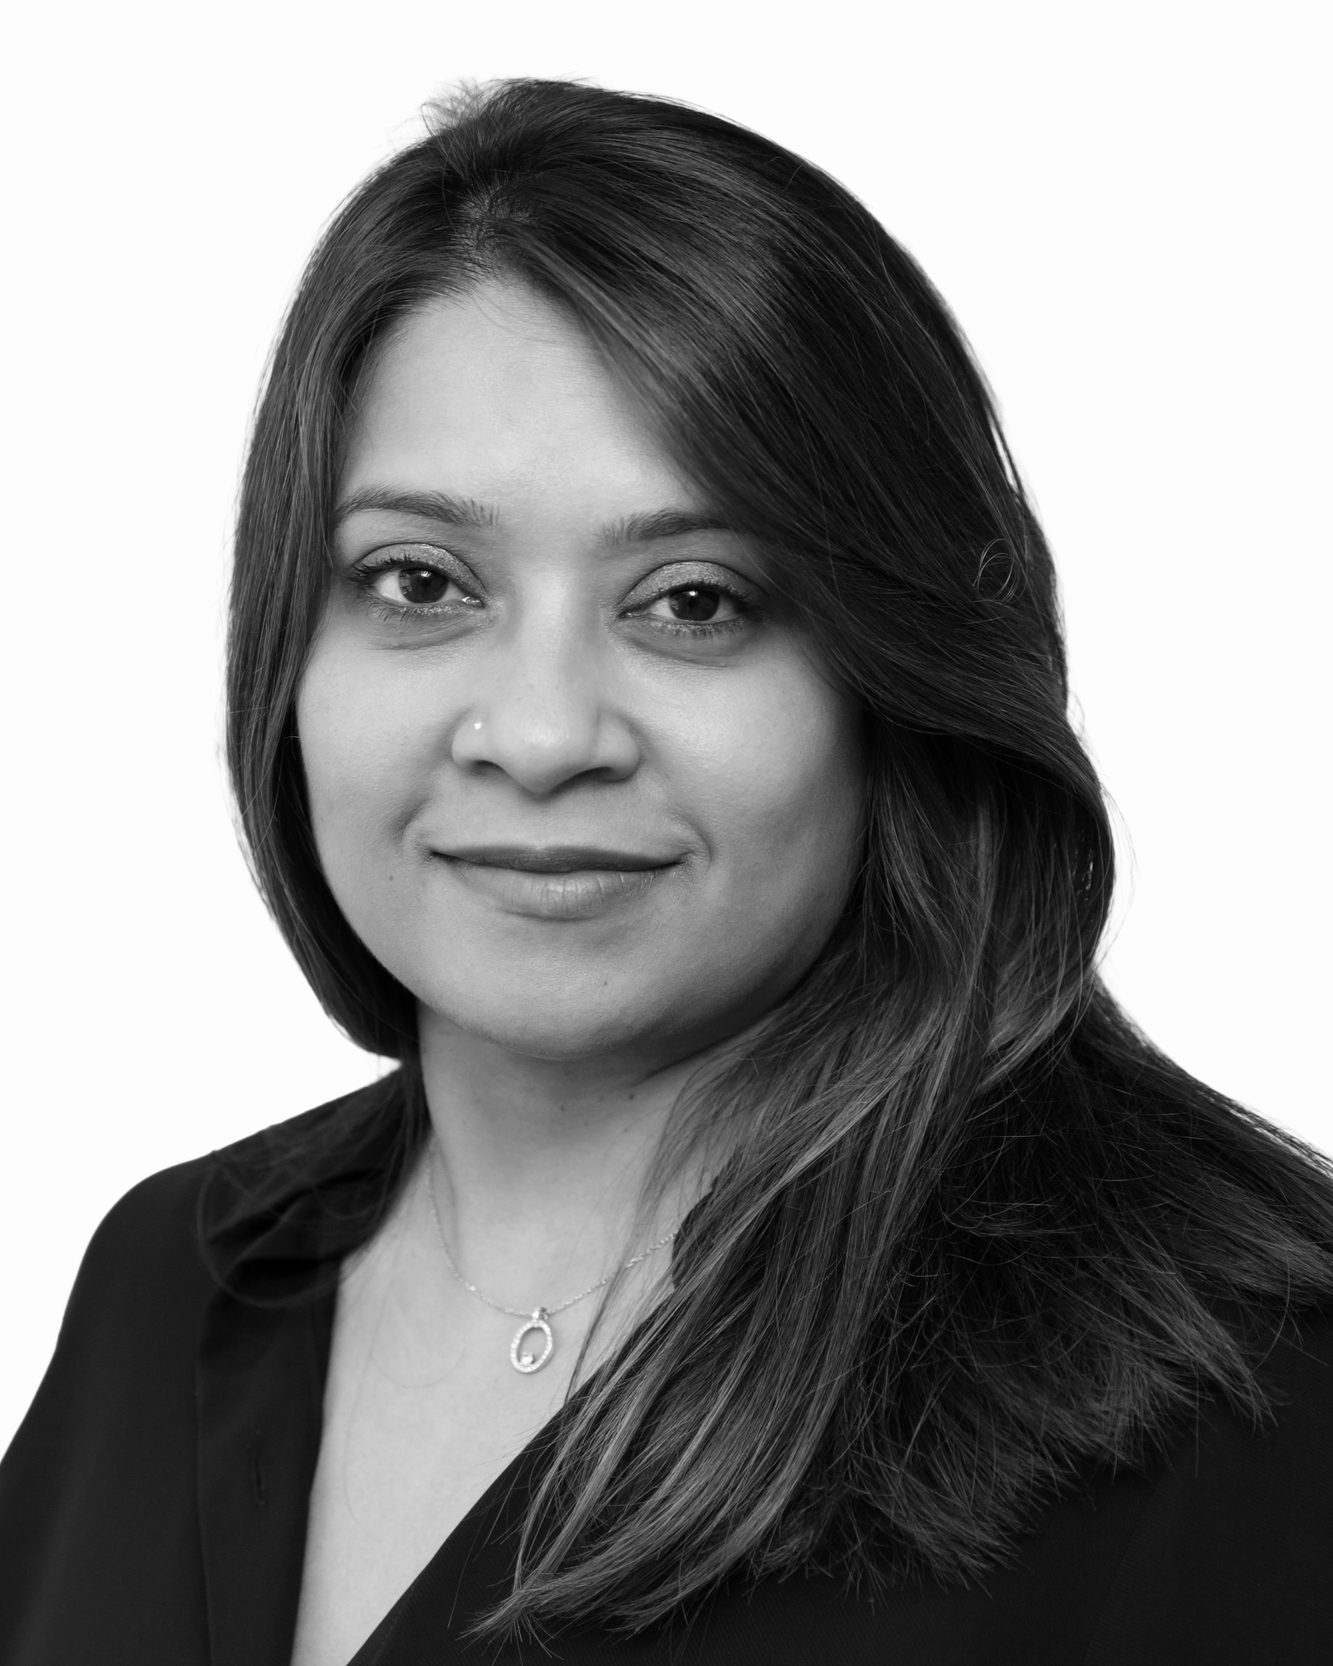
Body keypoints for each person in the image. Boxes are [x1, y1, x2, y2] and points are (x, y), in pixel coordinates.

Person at [2, 77, 1331, 1666]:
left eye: (693, 601)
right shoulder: (174, 1278)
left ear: (891, 675)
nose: (544, 733)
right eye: (419, 580)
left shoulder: (1235, 1393)